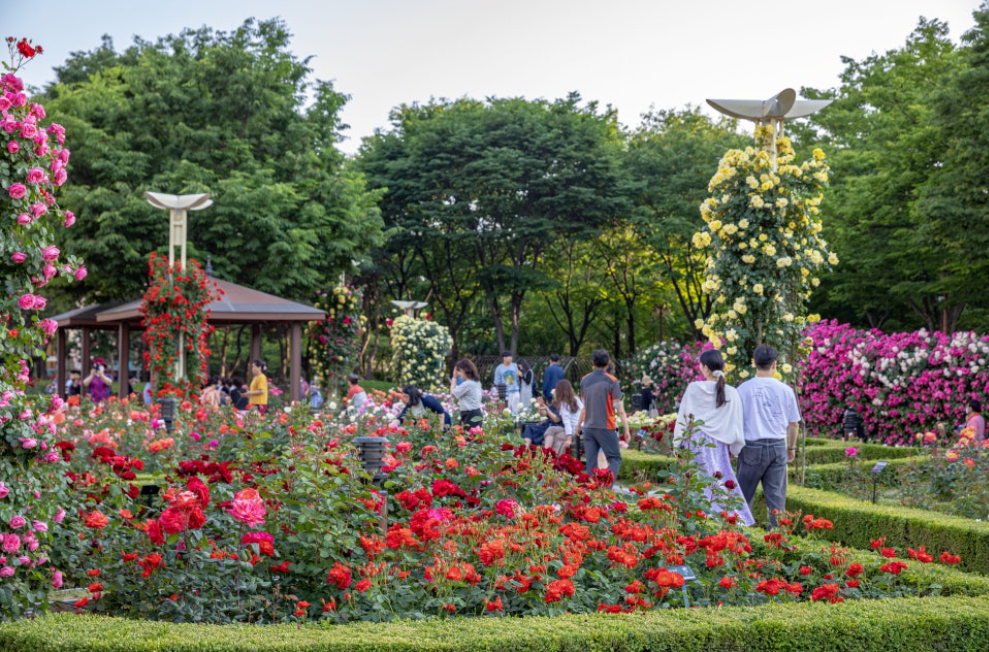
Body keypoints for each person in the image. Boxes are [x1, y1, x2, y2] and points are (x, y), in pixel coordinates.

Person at [673, 349, 754, 526]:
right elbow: (736, 423)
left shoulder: (694, 388)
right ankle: (727, 519)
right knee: (721, 481)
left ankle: (695, 519)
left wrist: (678, 445)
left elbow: (683, 418)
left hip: (694, 442)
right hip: (719, 445)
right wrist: (734, 448)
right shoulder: (731, 392)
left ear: (706, 368)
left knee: (695, 482)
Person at [736, 345, 802, 528]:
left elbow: (736, 422)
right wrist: (791, 448)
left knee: (742, 500)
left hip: (750, 447)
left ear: (754, 363)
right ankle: (775, 546)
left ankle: (736, 543)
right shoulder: (785, 390)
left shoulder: (743, 390)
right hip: (777, 446)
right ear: (775, 364)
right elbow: (794, 424)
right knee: (776, 503)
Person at [577, 349, 629, 486]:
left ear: (593, 363)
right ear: (608, 363)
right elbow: (619, 408)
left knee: (591, 464)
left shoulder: (584, 380)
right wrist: (627, 430)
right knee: (615, 459)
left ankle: (592, 495)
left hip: (588, 426)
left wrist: (578, 426)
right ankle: (606, 488)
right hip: (606, 426)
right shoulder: (612, 381)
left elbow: (584, 407)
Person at [543, 380, 583, 456]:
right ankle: (546, 454)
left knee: (558, 437)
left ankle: (555, 462)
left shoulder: (564, 403)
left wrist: (569, 439)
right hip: (578, 428)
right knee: (550, 429)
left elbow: (567, 422)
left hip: (575, 430)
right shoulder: (576, 399)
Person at [450, 359, 484, 426]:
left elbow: (452, 393)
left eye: (459, 371)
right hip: (476, 413)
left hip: (470, 414)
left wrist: (454, 377)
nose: (458, 374)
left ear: (465, 370)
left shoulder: (468, 384)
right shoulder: (476, 382)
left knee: (467, 435)